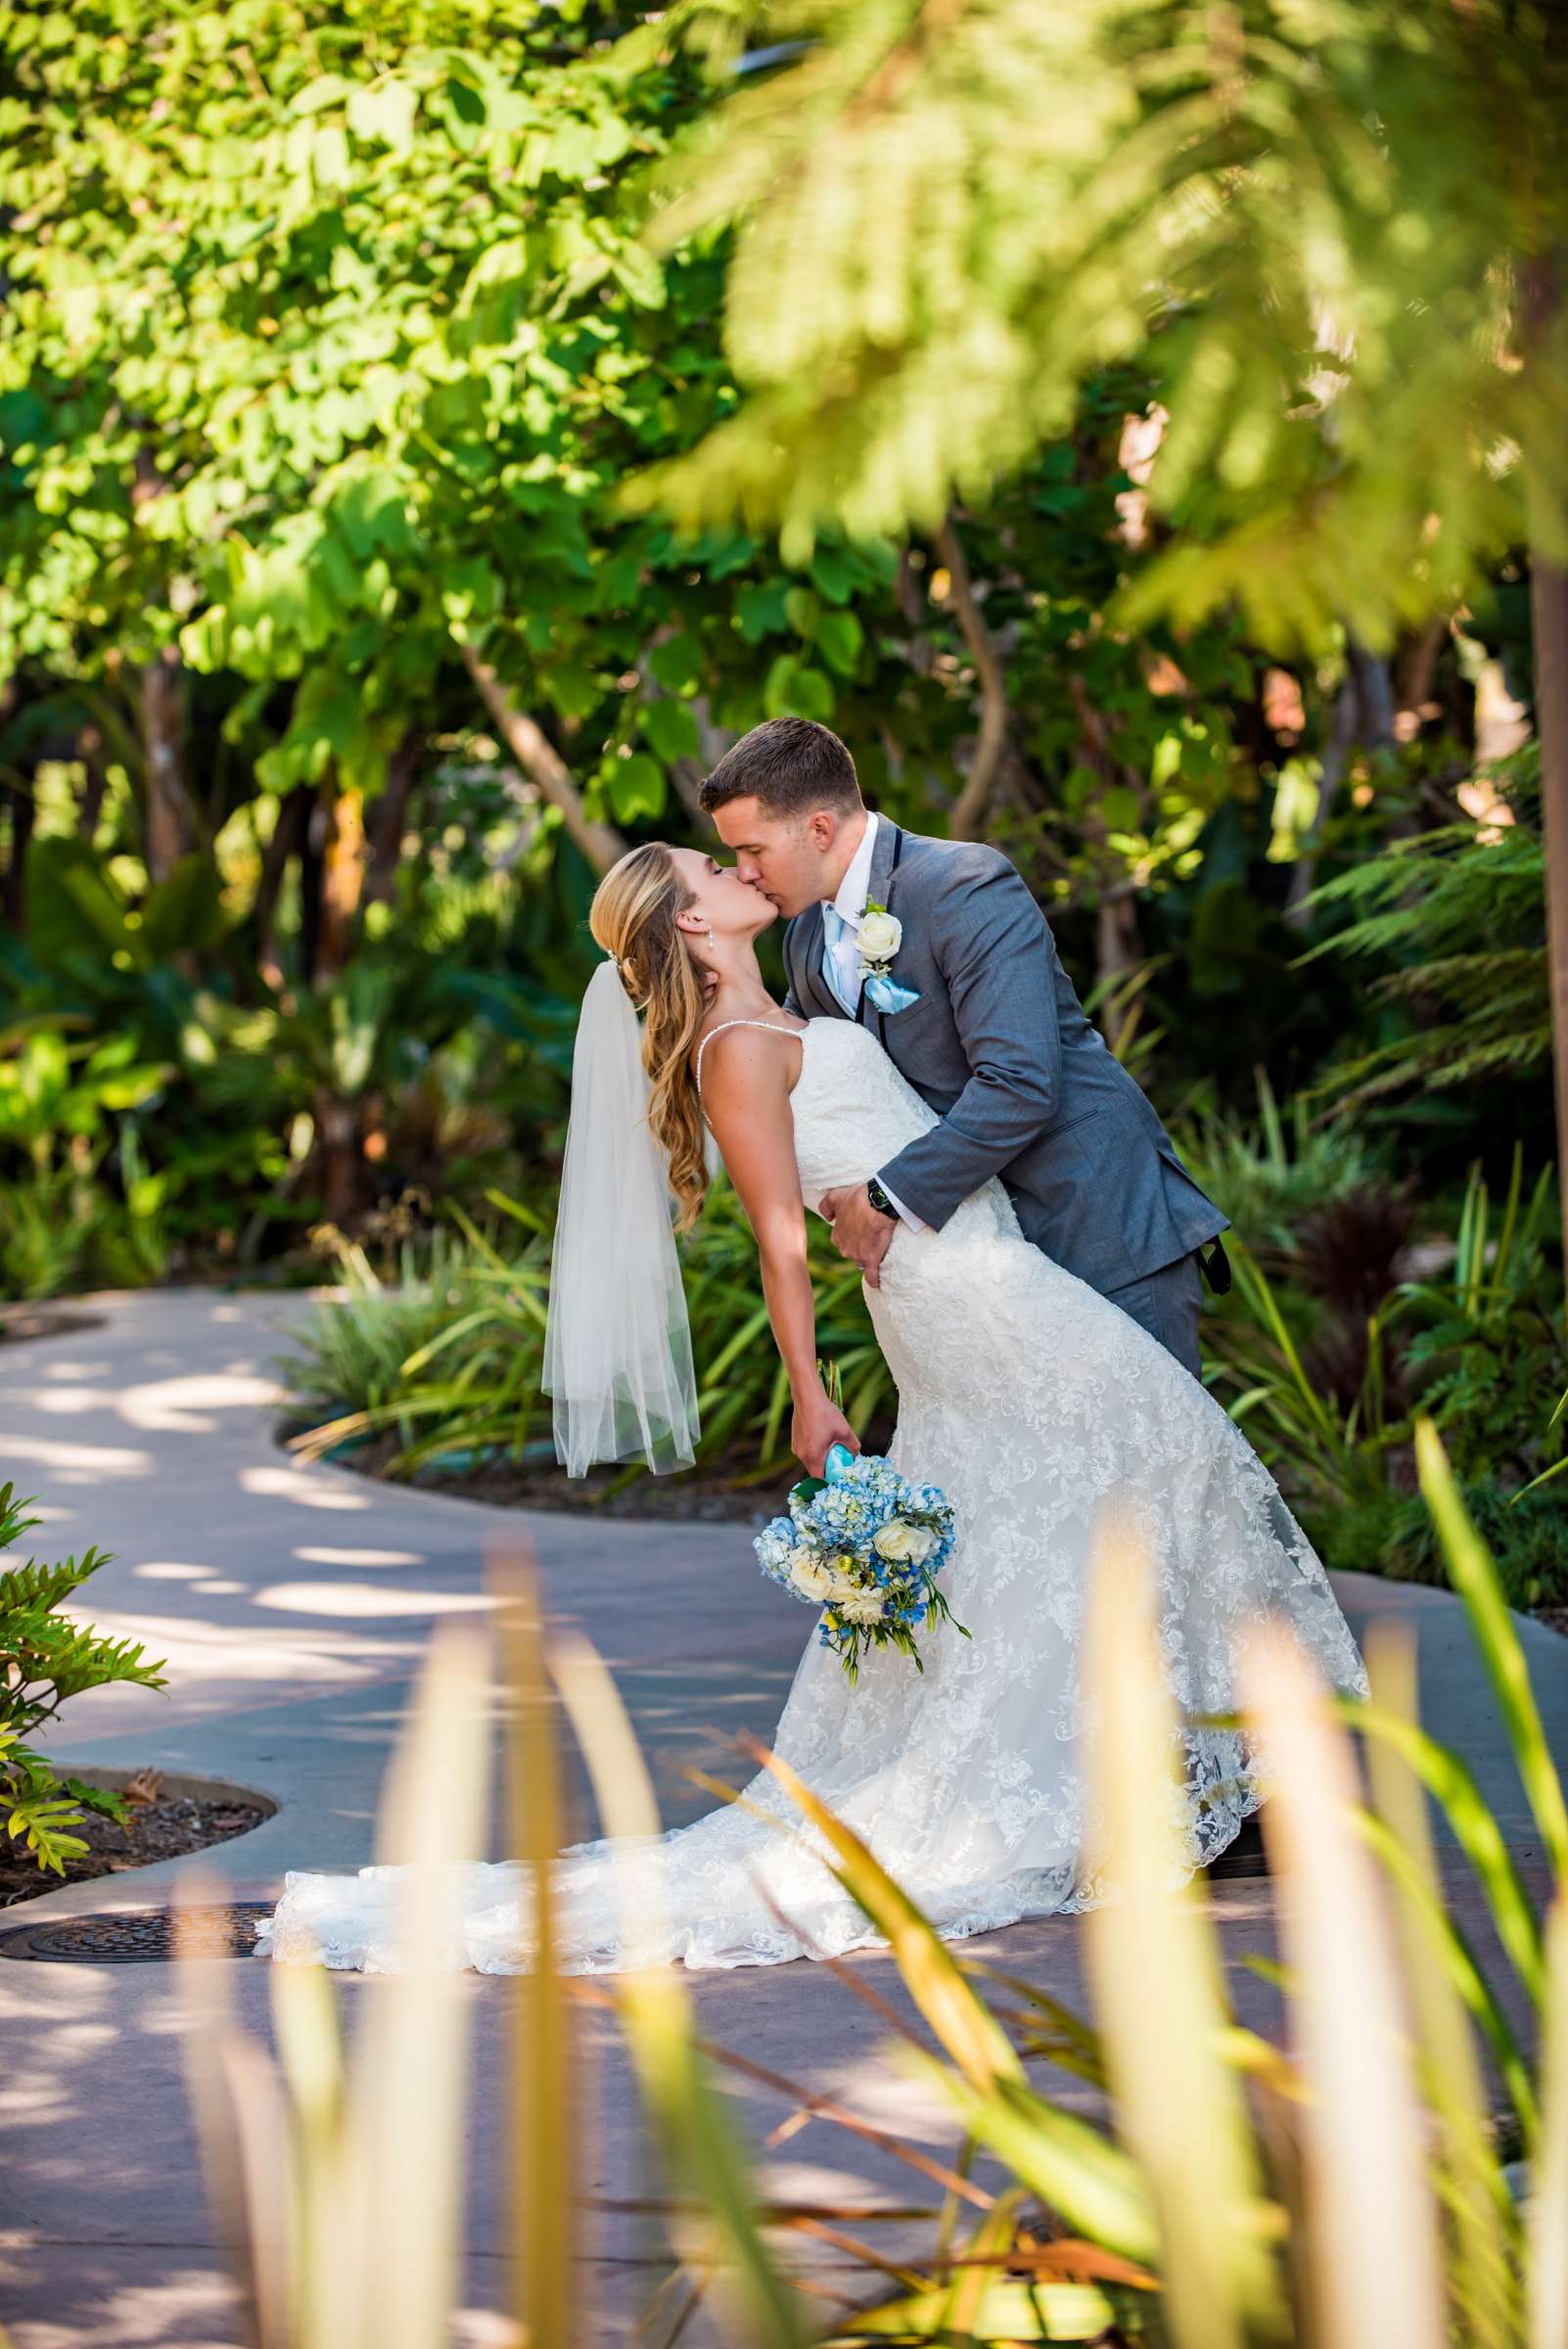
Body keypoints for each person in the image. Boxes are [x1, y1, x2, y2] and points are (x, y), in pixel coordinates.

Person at [254, 732, 1368, 1976]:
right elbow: (790, 1208)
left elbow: (1019, 1082)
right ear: (691, 924)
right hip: (969, 1279)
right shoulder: (786, 961)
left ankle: (1223, 1799)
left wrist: (882, 1195)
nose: (745, 868)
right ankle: (1177, 1805)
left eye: (748, 847)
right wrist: (820, 1358)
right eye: (719, 861)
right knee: (1107, 1499)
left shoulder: (959, 889)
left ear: (820, 828)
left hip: (1088, 1229)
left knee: (1145, 1489)